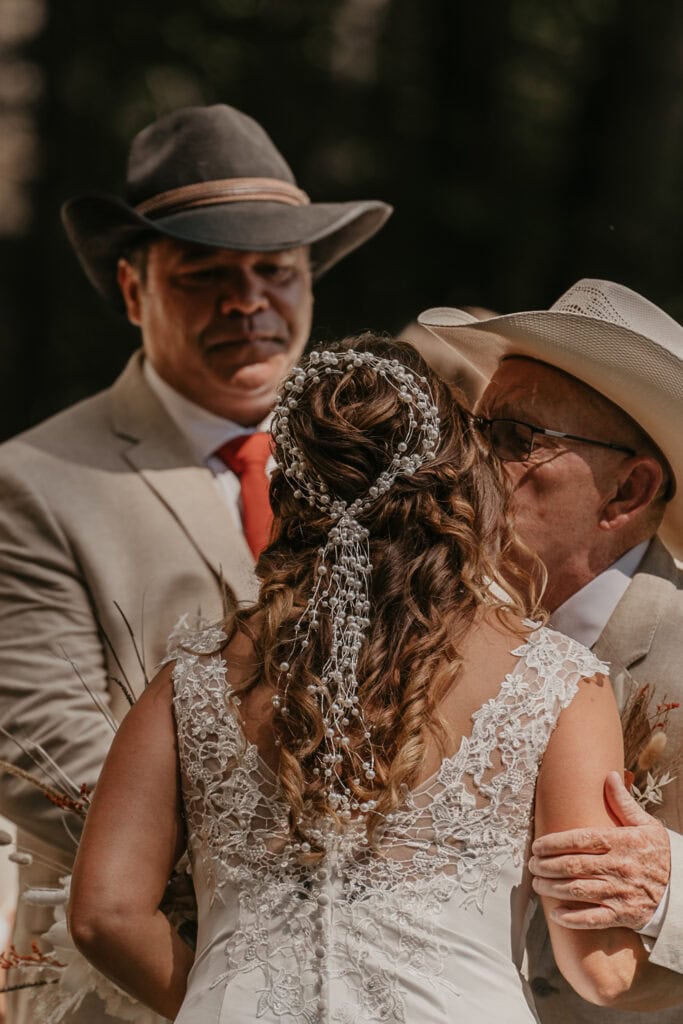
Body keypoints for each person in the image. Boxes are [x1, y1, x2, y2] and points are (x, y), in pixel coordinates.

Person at [67, 336, 682, 1023]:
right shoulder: (560, 684)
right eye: (485, 436)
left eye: (513, 437)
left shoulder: (193, 681)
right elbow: (600, 971)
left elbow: (105, 913)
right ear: (455, 476)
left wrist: (227, 999)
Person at [0, 103, 391, 1023]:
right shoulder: (33, 482)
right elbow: (41, 748)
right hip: (144, 969)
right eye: (205, 276)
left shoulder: (388, 466)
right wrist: (288, 863)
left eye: (274, 272)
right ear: (135, 292)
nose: (247, 303)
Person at [418, 278, 683, 1022]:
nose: (464, 464)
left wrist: (673, 886)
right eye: (473, 430)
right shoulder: (427, 621)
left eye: (513, 440)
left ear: (626, 492)